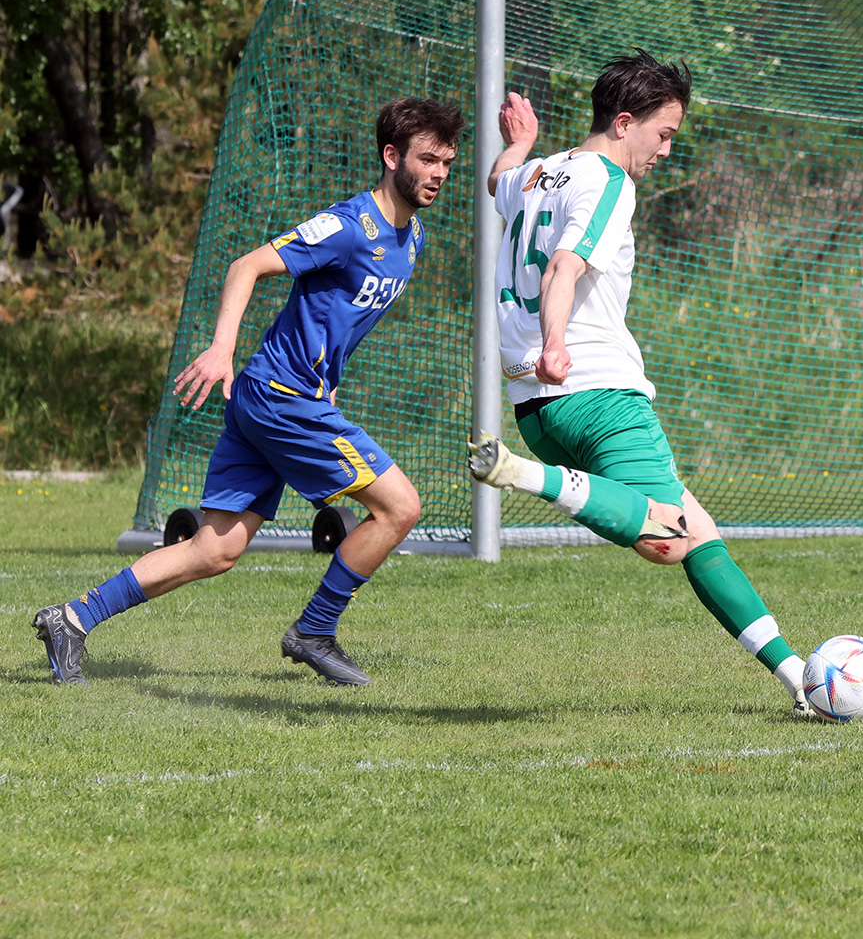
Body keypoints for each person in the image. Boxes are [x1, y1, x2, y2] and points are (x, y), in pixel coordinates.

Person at [33, 98, 462, 686]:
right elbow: (245, 266)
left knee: (215, 550)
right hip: (281, 399)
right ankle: (315, 630)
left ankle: (72, 619)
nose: (439, 173)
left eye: (447, 162)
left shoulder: (412, 240)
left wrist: (328, 384)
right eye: (427, 159)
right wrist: (221, 349)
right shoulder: (347, 226)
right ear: (392, 156)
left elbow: (331, 319)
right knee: (401, 507)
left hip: (282, 397)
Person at [467, 51, 813, 715]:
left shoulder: (538, 174)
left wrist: (521, 144)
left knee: (698, 530)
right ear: (625, 123)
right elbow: (563, 268)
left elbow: (496, 182)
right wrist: (557, 342)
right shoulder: (609, 182)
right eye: (664, 134)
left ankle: (797, 676)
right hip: (595, 391)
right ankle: (524, 477)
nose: (666, 150)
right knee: (671, 537)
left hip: (537, 408)